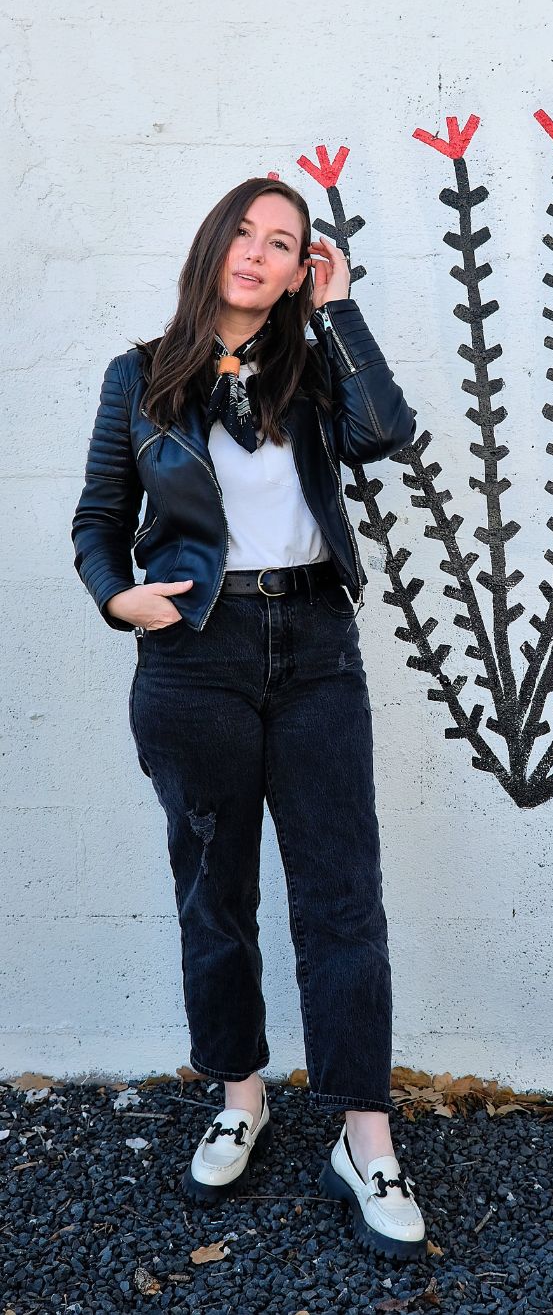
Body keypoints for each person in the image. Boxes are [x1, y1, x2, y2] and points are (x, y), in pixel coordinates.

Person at [71, 177, 427, 1259]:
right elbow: (98, 514)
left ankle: (363, 1132)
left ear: (298, 269)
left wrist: (341, 309)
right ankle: (242, 1091)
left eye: (285, 244)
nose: (260, 252)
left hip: (315, 646)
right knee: (212, 886)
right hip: (194, 656)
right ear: (214, 240)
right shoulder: (139, 375)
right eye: (246, 231)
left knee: (341, 895)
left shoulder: (314, 367)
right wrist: (114, 593)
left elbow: (388, 437)